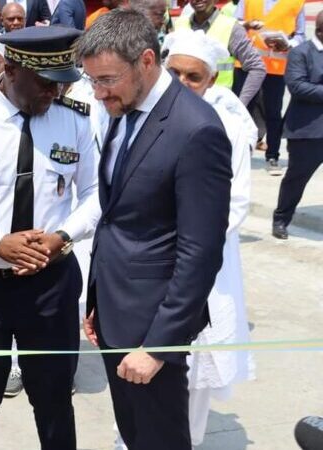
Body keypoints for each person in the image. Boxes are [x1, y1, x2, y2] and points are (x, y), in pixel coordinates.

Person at [77, 9, 232, 450]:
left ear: (146, 60)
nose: (98, 92)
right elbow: (118, 216)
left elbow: (200, 252)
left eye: (107, 79)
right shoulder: (125, 108)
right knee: (133, 434)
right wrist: (98, 300)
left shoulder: (196, 129)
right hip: (114, 315)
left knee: (159, 440)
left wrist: (159, 346)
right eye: (92, 80)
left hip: (151, 330)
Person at [0, 26, 99, 450]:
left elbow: (94, 194)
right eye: (44, 83)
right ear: (10, 70)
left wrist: (62, 238)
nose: (53, 93)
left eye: (60, 84)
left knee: (53, 400)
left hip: (50, 286)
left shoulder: (73, 118)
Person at [162, 29, 256, 447]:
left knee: (196, 365)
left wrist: (188, 243)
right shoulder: (142, 113)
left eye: (193, 77)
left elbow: (236, 203)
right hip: (151, 259)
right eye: (174, 72)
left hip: (204, 263)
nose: (182, 84)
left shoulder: (230, 125)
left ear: (211, 81)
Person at [235, 0, 305, 174]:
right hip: (247, 64)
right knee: (242, 110)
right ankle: (240, 152)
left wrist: (288, 44)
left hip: (275, 66)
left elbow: (301, 35)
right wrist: (247, 25)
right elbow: (234, 23)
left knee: (273, 112)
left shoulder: (296, 3)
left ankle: (272, 155)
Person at [272, 11, 323, 240]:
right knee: (296, 178)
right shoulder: (301, 53)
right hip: (307, 130)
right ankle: (281, 219)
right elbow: (297, 86)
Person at [173, 0, 266, 106]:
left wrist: (240, 104)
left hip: (216, 105)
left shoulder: (230, 27)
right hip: (180, 101)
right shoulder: (180, 24)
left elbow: (257, 67)